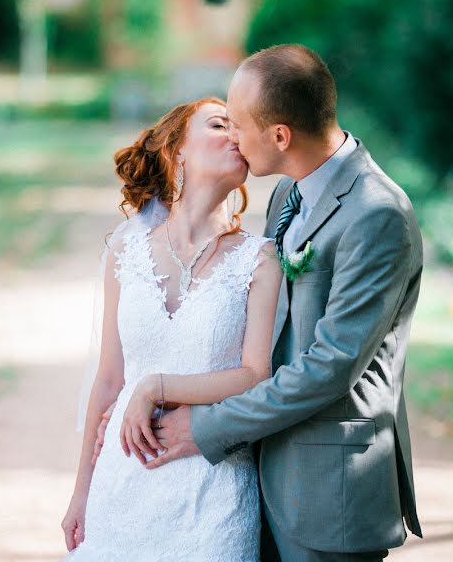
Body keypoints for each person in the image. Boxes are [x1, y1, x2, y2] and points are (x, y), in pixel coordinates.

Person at [138, 44, 425, 561]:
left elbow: (330, 366)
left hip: (327, 492)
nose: (234, 139)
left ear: (279, 136)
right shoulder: (287, 197)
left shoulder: (375, 214)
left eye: (239, 125)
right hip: (258, 477)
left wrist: (205, 427)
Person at [60, 96, 282, 561]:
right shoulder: (126, 250)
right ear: (176, 150)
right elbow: (108, 380)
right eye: (221, 124)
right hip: (123, 483)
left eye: (240, 129)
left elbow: (254, 374)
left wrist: (157, 386)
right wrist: (81, 491)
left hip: (212, 489)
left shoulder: (259, 259)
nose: (236, 137)